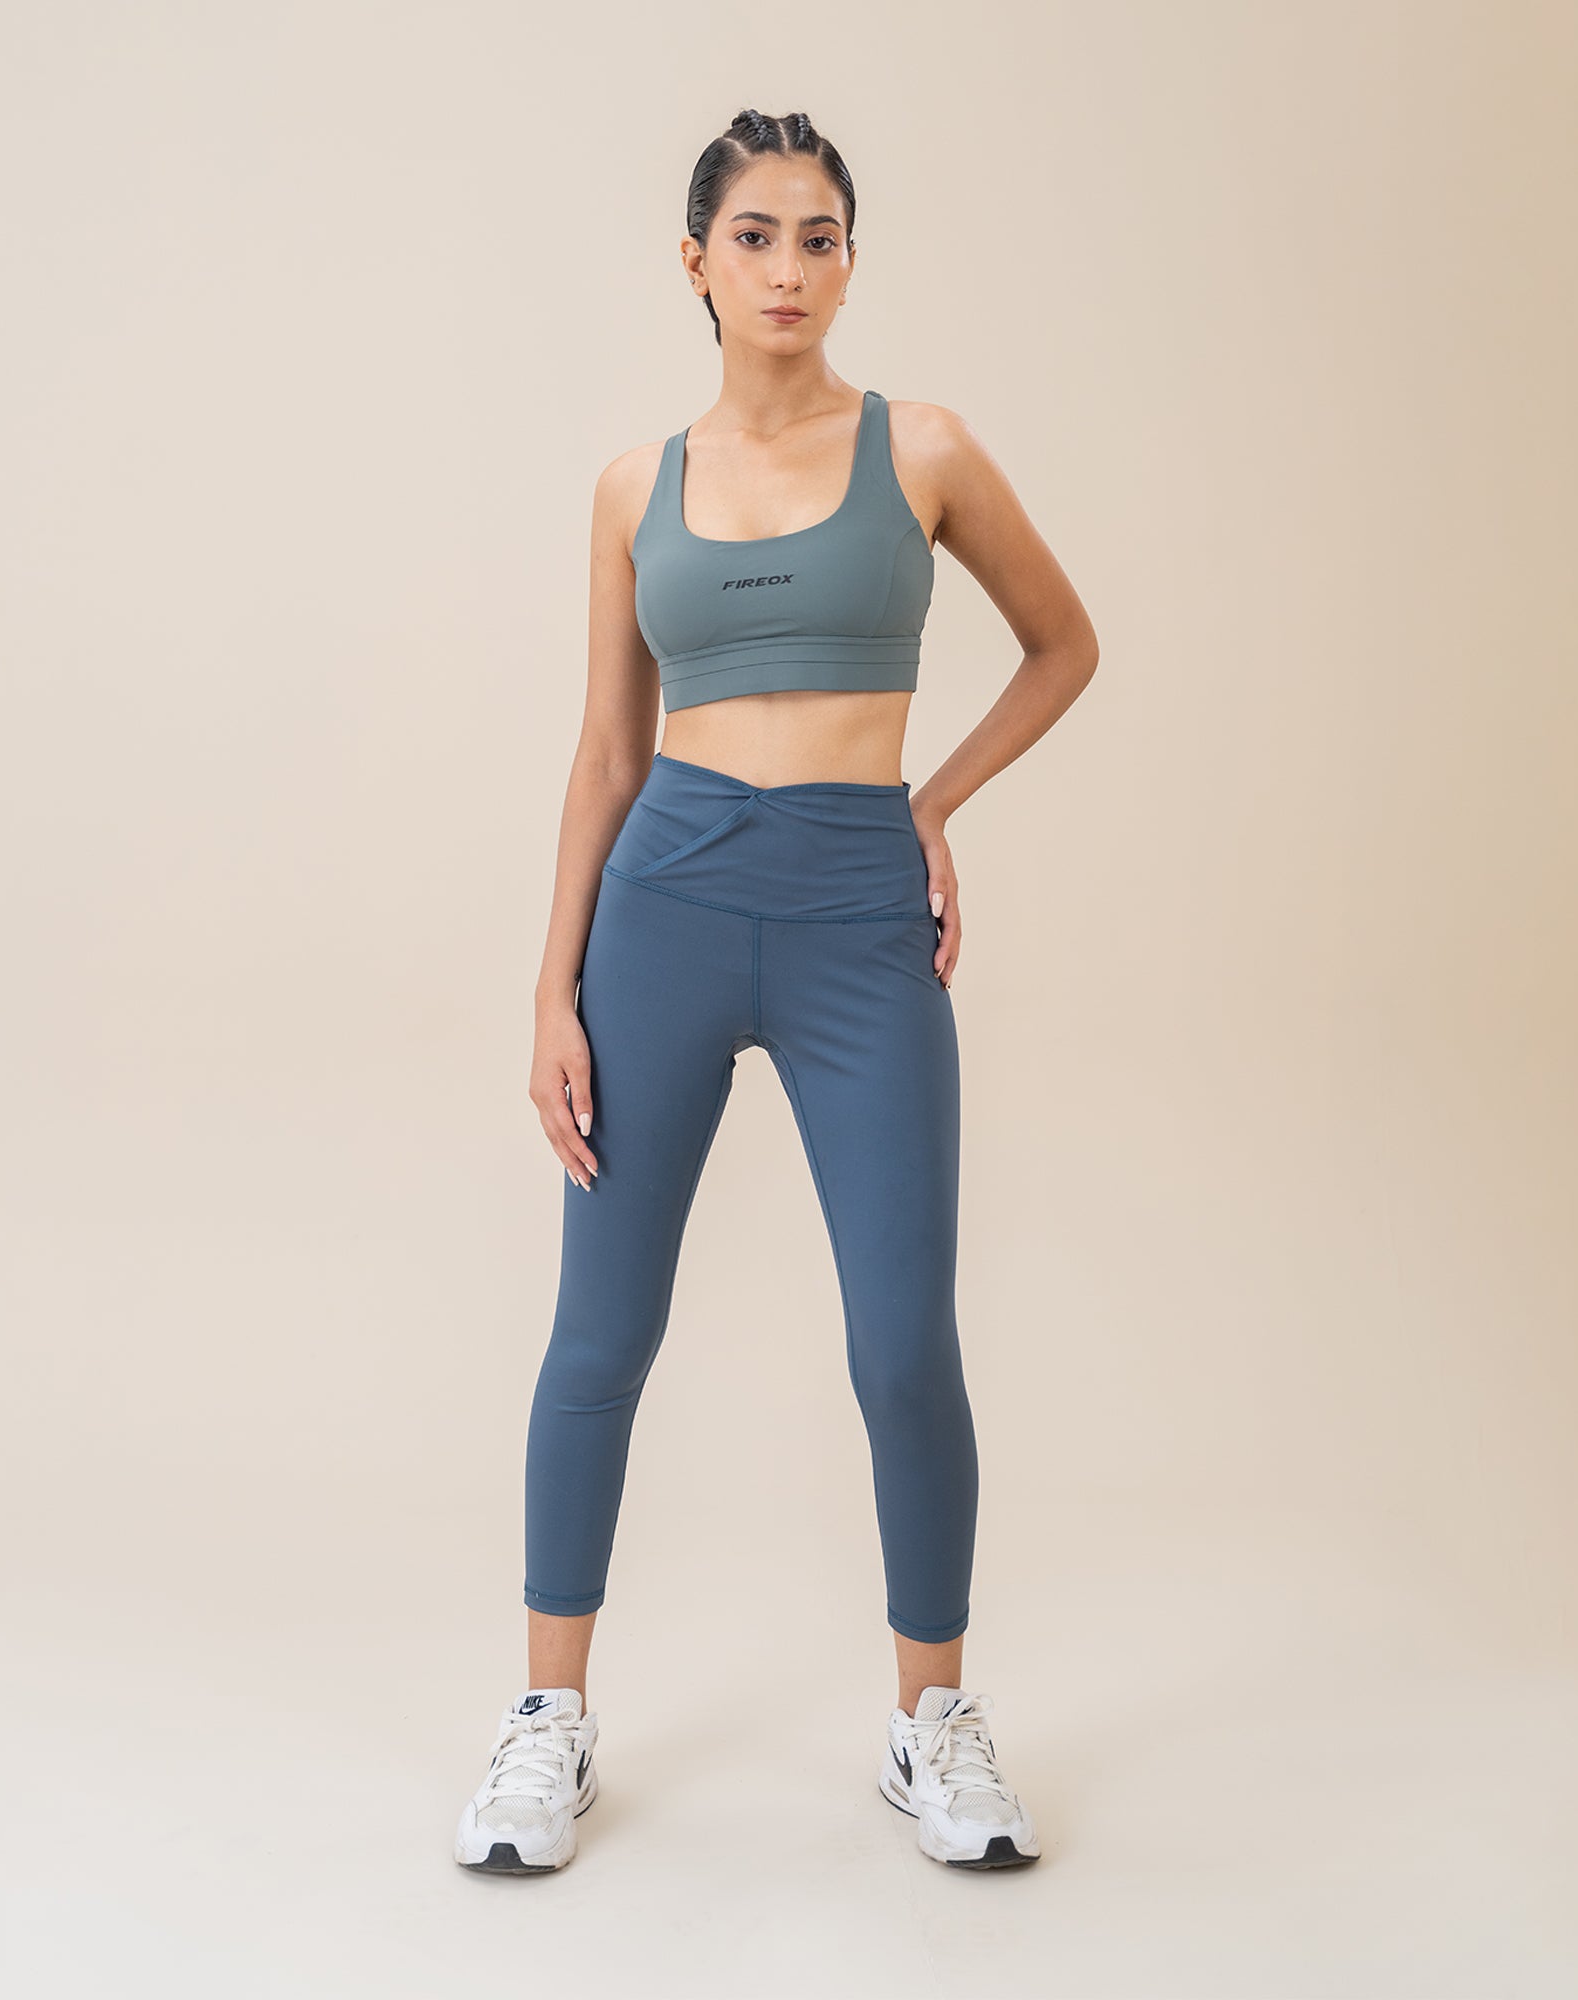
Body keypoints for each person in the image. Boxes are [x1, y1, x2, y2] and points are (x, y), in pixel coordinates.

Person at [455, 106, 1099, 1875]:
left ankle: (930, 1727)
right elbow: (607, 749)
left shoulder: (925, 450)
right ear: (698, 262)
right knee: (602, 1336)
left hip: (855, 917)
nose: (789, 268)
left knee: (902, 1338)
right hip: (661, 909)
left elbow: (1065, 644)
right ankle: (547, 1723)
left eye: (820, 237)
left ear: (849, 262)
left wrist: (933, 806)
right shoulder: (633, 486)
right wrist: (552, 988)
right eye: (755, 236)